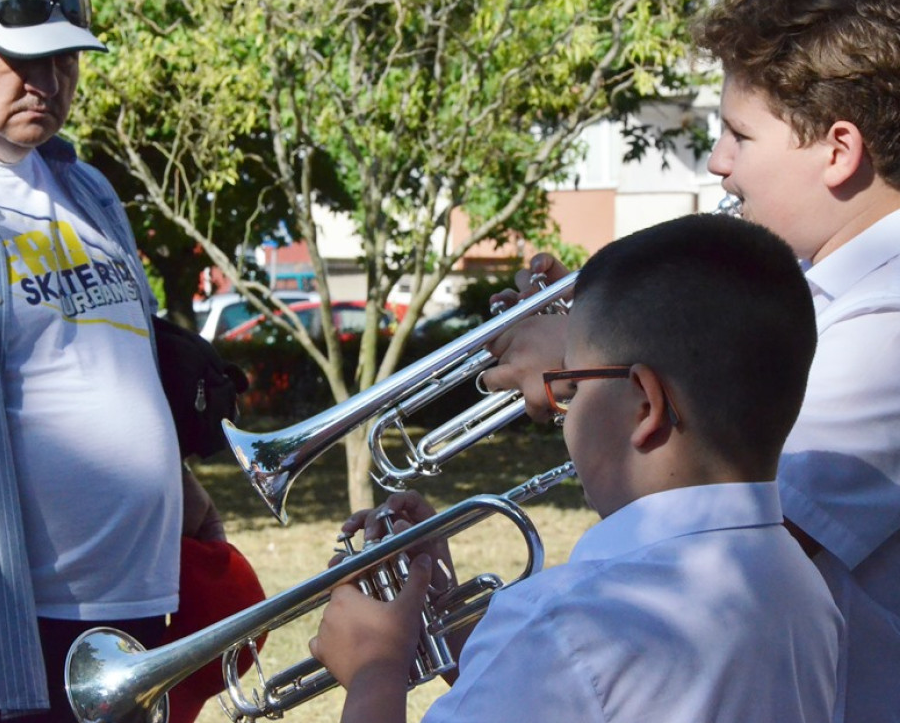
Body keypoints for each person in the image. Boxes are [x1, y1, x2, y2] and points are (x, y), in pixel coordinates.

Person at [486, 0, 900, 721]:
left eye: (740, 134)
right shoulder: (819, 287)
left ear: (839, 150)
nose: (718, 161)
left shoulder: (889, 325)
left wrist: (587, 361)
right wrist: (616, 316)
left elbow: (710, 539)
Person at [309, 214, 843, 723]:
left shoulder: (562, 623)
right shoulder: (805, 589)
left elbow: (571, 667)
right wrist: (446, 612)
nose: (559, 413)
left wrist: (375, 672)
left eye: (574, 386)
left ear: (645, 405)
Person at [0, 0, 223, 720]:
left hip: (126, 628)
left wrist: (183, 492)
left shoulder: (84, 185)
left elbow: (106, 362)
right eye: (20, 57)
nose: (48, 80)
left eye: (65, 58)